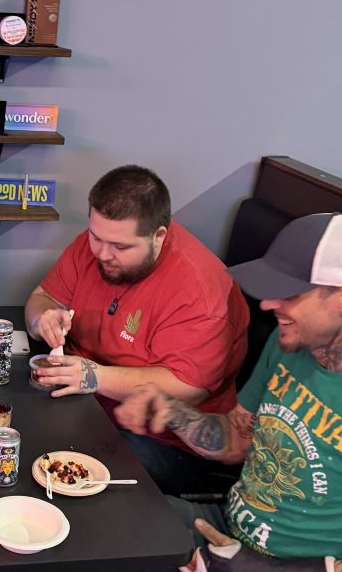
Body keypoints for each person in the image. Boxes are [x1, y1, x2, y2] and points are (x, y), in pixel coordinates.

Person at [116, 213, 342, 572]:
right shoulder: (286, 344)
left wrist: (255, 568)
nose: (268, 304)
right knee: (96, 517)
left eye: (291, 292)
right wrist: (170, 409)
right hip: (224, 529)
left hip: (286, 565)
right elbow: (237, 441)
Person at [25, 164, 249, 495]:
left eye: (120, 247)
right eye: (95, 237)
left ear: (158, 235)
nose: (102, 254)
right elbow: (40, 299)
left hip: (163, 441)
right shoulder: (97, 247)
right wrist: (42, 318)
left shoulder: (200, 292)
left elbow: (186, 387)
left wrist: (93, 376)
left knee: (58, 478)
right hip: (86, 406)